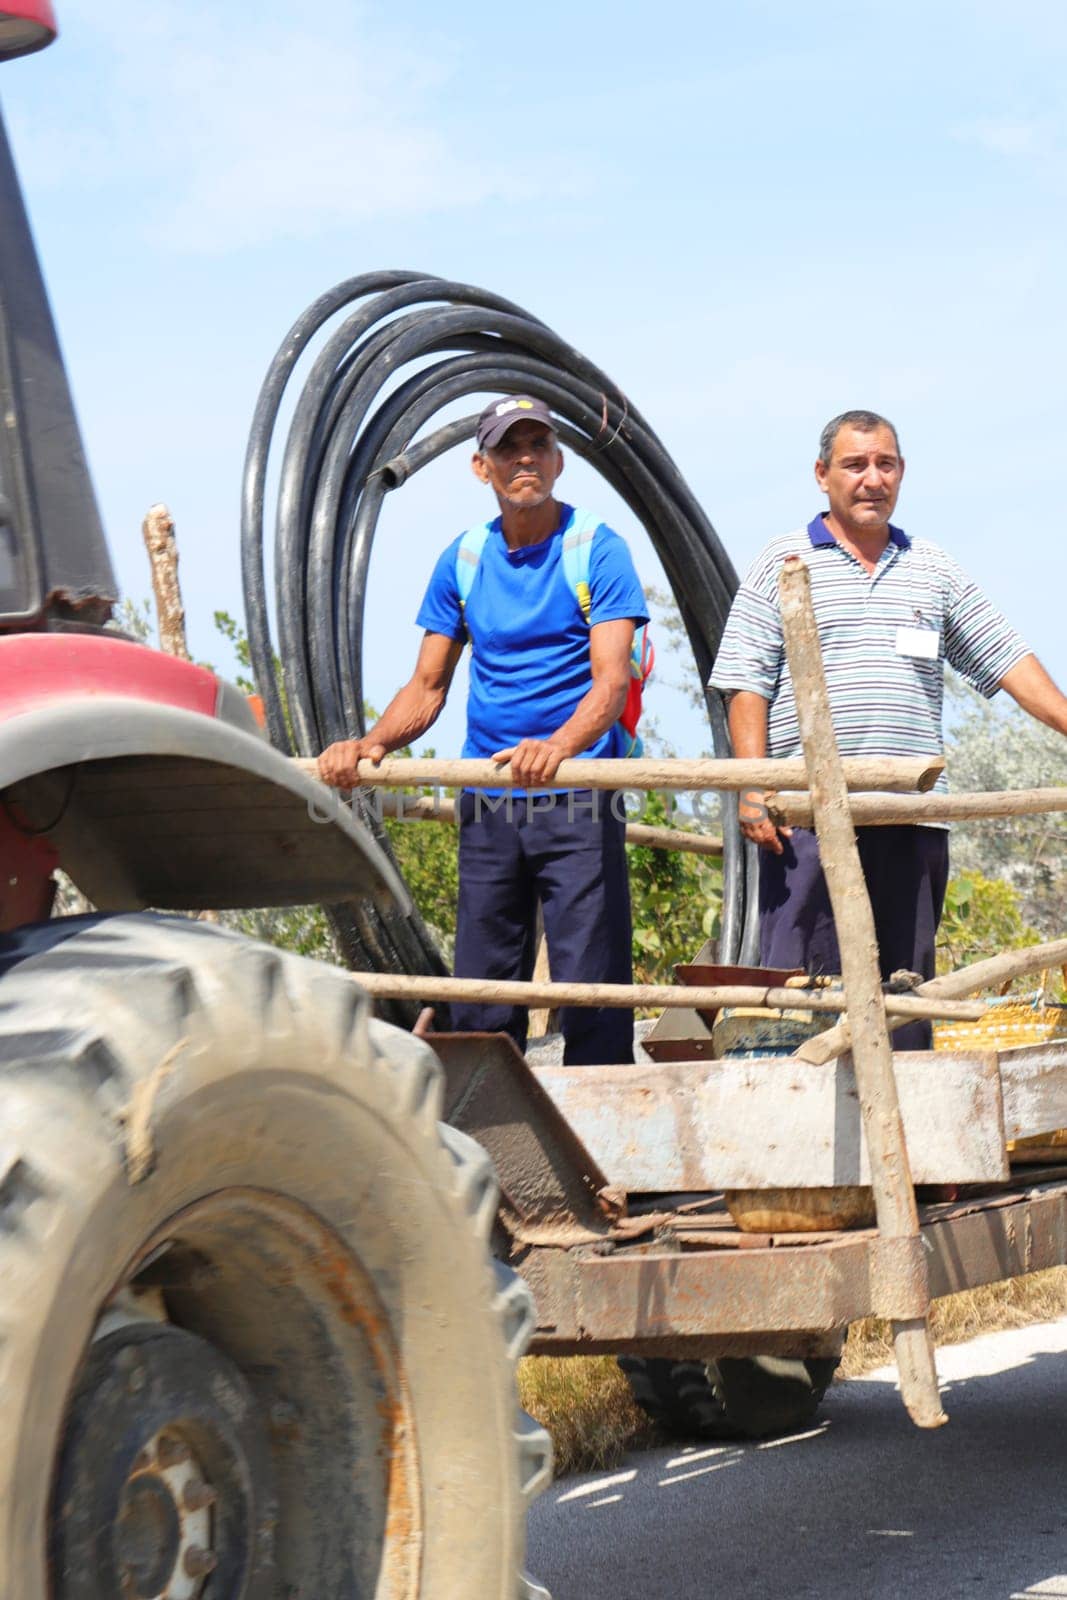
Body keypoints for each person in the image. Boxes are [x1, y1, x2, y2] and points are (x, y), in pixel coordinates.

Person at [709, 408, 1067, 1048]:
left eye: (886, 464)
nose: (872, 479)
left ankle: (905, 1141)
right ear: (822, 476)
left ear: (901, 473)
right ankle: (796, 1140)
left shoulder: (933, 569)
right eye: (855, 465)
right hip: (808, 821)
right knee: (799, 998)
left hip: (909, 820)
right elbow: (746, 681)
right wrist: (754, 787)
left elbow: (1009, 657)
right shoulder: (783, 561)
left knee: (905, 999)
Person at [318, 394, 649, 1064]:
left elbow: (610, 682)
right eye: (507, 448)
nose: (523, 459)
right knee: (483, 986)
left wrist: (555, 748)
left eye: (536, 446)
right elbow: (427, 686)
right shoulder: (464, 559)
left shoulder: (594, 549)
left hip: (579, 791)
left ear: (557, 461)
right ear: (481, 467)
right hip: (491, 795)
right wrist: (372, 743)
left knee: (590, 982)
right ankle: (493, 1143)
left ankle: (604, 1138)